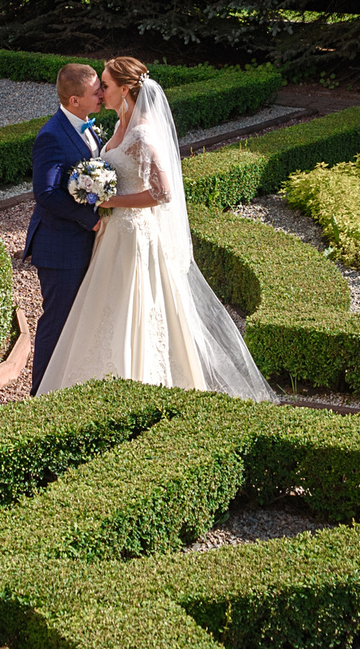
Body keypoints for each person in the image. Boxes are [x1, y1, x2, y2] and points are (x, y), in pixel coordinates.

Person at [34, 56, 277, 401]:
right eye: (99, 87)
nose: (101, 92)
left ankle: (134, 382)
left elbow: (163, 192)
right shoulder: (117, 124)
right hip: (113, 235)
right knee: (102, 310)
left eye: (105, 85)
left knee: (134, 307)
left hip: (133, 234)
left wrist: (109, 202)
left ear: (125, 88)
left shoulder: (144, 131)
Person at [22, 63, 107, 393]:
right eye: (95, 90)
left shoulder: (87, 126)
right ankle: (41, 394)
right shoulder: (51, 135)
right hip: (59, 247)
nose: (101, 94)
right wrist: (91, 219)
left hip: (83, 241)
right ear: (75, 100)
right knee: (57, 322)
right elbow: (44, 194)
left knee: (80, 320)